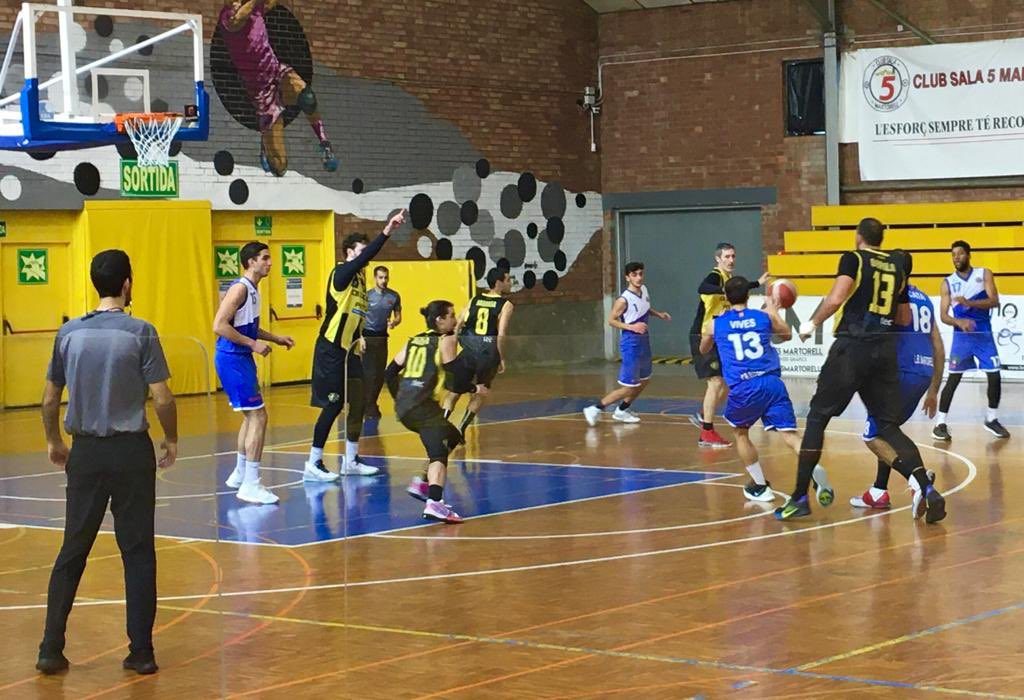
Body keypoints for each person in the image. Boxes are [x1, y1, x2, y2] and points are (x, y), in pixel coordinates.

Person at [37, 250, 178, 676]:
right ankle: (141, 651)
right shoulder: (142, 332)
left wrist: (53, 441)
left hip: (86, 452)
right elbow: (163, 397)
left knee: (72, 549)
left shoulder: (69, 334)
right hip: (131, 451)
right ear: (127, 284)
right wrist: (171, 438)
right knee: (137, 552)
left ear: (96, 284)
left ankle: (49, 648)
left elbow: (48, 400)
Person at [775, 217, 945, 523]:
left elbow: (837, 298)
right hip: (884, 354)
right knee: (888, 427)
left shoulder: (853, 258)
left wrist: (811, 323)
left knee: (817, 416)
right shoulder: (896, 264)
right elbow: (904, 317)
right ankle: (926, 487)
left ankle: (800, 496)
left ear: (858, 237)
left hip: (853, 347)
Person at [700, 277, 831, 503]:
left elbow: (703, 349)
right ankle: (815, 468)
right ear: (748, 297)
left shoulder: (716, 323)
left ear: (726, 298)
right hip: (772, 383)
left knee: (741, 433)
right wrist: (773, 309)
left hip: (743, 387)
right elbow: (787, 335)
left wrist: (713, 338)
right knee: (790, 435)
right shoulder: (762, 317)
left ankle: (760, 486)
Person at [306, 210, 407, 479]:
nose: (365, 257)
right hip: (330, 349)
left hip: (350, 349)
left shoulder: (360, 281)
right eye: (360, 251)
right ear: (350, 253)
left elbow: (355, 313)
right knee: (334, 404)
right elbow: (366, 257)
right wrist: (387, 230)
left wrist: (359, 336)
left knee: (359, 401)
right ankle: (313, 462)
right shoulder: (340, 273)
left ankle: (350, 459)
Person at [852, 252, 945, 515]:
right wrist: (933, 389)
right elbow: (938, 346)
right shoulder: (925, 299)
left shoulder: (891, 296)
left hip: (898, 372)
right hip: (923, 372)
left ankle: (920, 483)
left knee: (872, 435)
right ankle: (879, 492)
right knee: (887, 430)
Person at [385, 300, 487, 523]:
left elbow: (390, 372)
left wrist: (400, 398)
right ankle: (435, 503)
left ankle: (422, 484)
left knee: (452, 436)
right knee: (438, 454)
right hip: (424, 407)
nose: (454, 320)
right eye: (451, 316)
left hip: (405, 408)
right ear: (440, 320)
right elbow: (456, 380)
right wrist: (474, 388)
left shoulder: (413, 341)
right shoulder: (445, 340)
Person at [214, 241, 295, 503]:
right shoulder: (239, 289)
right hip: (233, 358)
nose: (270, 262)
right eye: (265, 258)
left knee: (250, 417)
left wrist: (275, 338)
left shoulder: (253, 290)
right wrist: (252, 345)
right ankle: (251, 483)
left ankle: (239, 473)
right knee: (259, 416)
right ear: (251, 262)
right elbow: (219, 326)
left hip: (238, 357)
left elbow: (248, 327)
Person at [219, 0, 338, 176]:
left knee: (307, 98)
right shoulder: (227, 18)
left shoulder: (256, 10)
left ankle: (324, 144)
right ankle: (265, 146)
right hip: (262, 92)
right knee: (279, 166)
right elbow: (238, 19)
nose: (236, 3)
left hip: (276, 72)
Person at [688, 242, 770, 448]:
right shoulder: (715, 276)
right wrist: (725, 289)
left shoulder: (730, 279)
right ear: (718, 259)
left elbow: (737, 289)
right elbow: (702, 287)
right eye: (727, 257)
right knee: (715, 383)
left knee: (725, 383)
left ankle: (702, 414)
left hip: (719, 335)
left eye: (733, 256)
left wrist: (756, 284)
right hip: (703, 334)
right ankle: (706, 432)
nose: (731, 260)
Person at [932, 240, 1010, 441]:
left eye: (959, 253)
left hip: (983, 335)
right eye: (953, 254)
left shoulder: (984, 274)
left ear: (968, 254)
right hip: (962, 338)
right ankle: (940, 423)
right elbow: (943, 316)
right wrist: (959, 321)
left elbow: (995, 301)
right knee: (954, 378)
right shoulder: (947, 282)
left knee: (994, 376)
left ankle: (991, 419)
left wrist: (970, 302)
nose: (956, 257)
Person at [583, 261, 670, 426]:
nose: (638, 277)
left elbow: (644, 308)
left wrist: (658, 314)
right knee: (629, 386)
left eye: (640, 274)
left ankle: (622, 409)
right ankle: (595, 408)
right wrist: (632, 327)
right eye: (634, 274)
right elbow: (611, 320)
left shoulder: (644, 290)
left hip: (644, 340)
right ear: (627, 277)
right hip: (631, 342)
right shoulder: (623, 299)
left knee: (645, 379)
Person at [443, 267, 514, 436]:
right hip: (488, 353)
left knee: (454, 390)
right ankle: (460, 429)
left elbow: (458, 323)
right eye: (508, 280)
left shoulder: (474, 299)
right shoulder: (506, 304)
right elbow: (501, 333)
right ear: (499, 283)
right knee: (481, 393)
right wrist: (501, 357)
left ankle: (441, 426)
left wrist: (454, 344)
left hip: (469, 350)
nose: (511, 283)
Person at [362, 265, 402, 419]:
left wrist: (394, 323)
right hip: (367, 337)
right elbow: (358, 318)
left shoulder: (394, 296)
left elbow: (398, 316)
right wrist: (360, 337)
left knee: (380, 374)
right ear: (375, 278)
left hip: (382, 337)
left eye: (386, 277)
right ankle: (368, 406)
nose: (383, 280)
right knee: (369, 374)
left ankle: (372, 404)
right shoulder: (367, 296)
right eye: (380, 277)